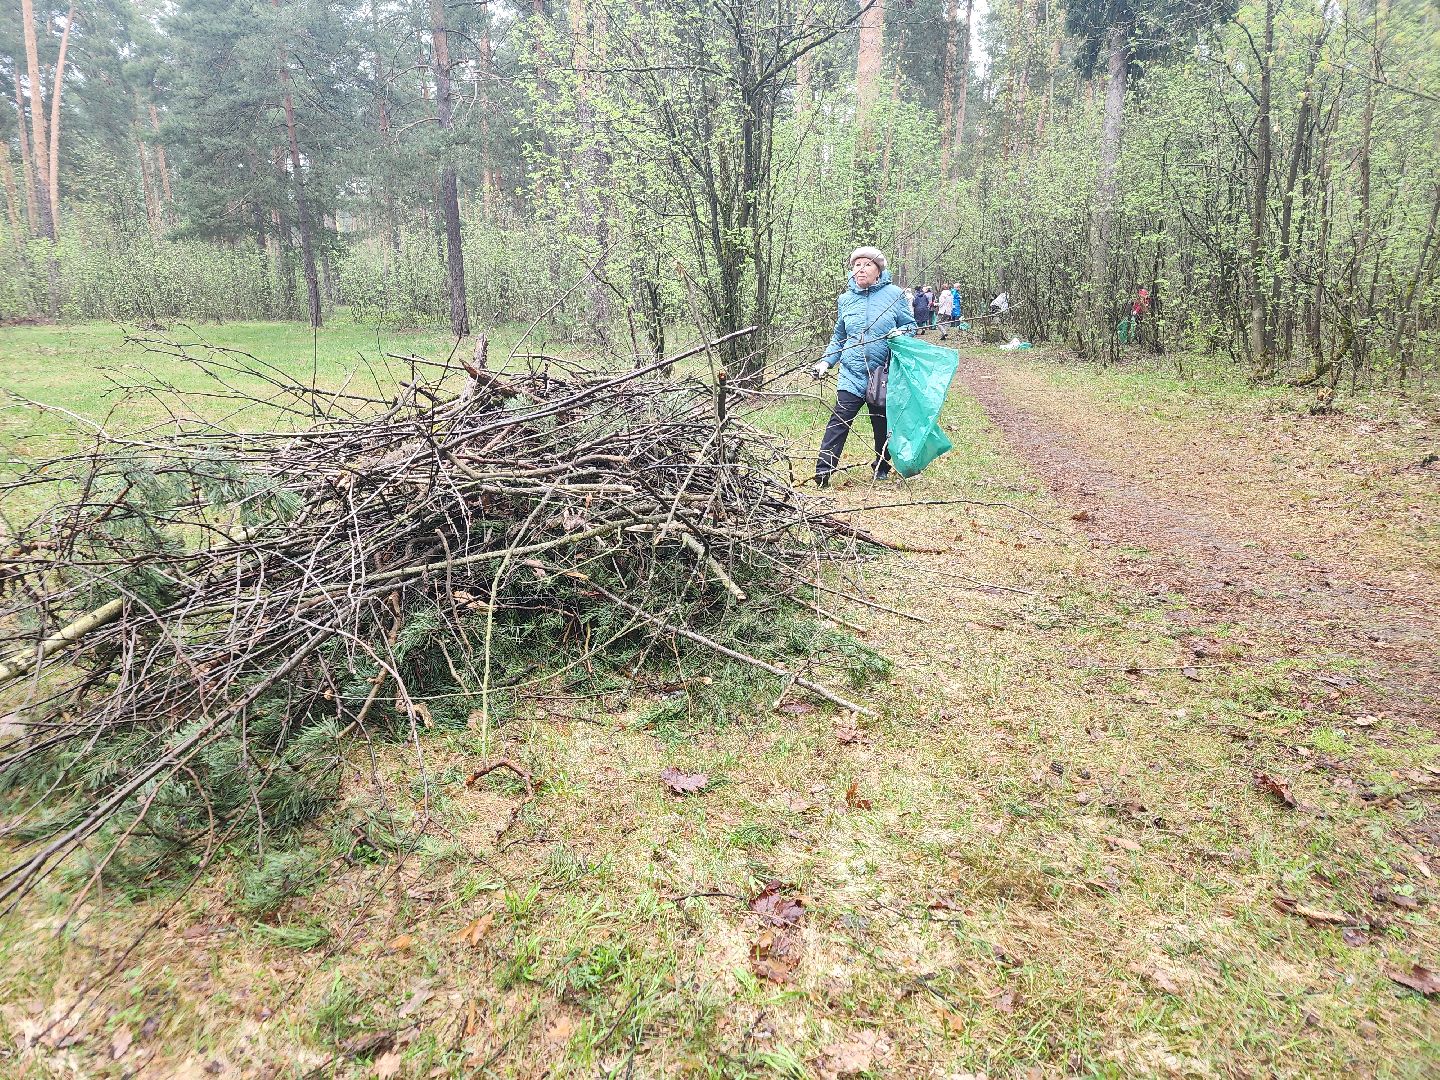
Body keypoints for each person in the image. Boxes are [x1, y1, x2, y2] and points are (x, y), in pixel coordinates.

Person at [810, 246, 916, 487]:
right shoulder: (845, 300)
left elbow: (911, 327)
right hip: (851, 372)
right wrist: (826, 361)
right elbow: (839, 337)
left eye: (867, 264)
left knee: (881, 423)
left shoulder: (894, 295)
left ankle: (882, 465)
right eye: (857, 264)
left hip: (882, 373)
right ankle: (823, 472)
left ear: (878, 271)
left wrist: (901, 332)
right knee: (839, 420)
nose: (861, 269)